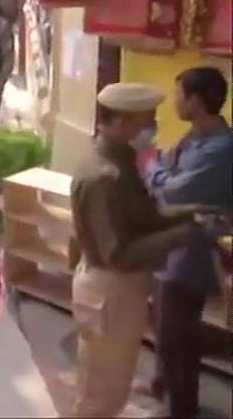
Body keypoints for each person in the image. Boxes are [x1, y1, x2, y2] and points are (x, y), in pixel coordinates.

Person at [69, 82, 212, 418]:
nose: (152, 129)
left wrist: (189, 212)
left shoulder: (121, 161)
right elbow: (118, 254)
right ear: (121, 123)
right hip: (110, 287)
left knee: (113, 383)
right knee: (100, 395)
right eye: (146, 121)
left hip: (121, 289)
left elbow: (143, 216)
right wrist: (182, 234)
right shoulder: (105, 177)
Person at [142, 68, 233, 418]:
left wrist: (151, 166)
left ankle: (182, 408)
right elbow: (169, 175)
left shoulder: (221, 148)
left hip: (194, 249)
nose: (175, 101)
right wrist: (160, 170)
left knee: (179, 334)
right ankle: (163, 386)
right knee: (165, 324)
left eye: (180, 95)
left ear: (197, 101)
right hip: (174, 243)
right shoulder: (195, 137)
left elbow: (174, 190)